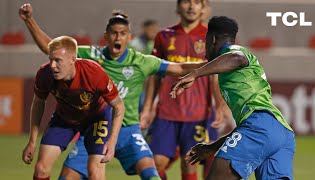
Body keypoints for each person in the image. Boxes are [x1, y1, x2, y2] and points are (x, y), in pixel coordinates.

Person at [19, 4, 207, 180]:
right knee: (68, 176)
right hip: (95, 125)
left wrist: (215, 64)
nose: (118, 38)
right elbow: (52, 48)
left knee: (151, 171)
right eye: (114, 33)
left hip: (127, 130)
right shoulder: (91, 57)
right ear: (106, 36)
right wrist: (29, 20)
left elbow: (179, 68)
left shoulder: (141, 61)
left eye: (122, 34)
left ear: (129, 37)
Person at [171, 16, 295, 180]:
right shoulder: (232, 70)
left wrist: (195, 73)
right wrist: (212, 147)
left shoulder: (235, 52)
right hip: (281, 132)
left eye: (205, 41)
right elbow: (249, 128)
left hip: (261, 126)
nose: (204, 48)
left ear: (212, 39)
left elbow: (236, 58)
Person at [141, 0, 226, 179]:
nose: (191, 7)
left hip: (198, 113)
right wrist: (148, 108)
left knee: (190, 163)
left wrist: (219, 105)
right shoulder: (164, 36)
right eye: (187, 2)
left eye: (197, 2)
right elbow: (154, 74)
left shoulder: (212, 37)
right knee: (156, 162)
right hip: (167, 112)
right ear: (178, 6)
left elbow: (216, 76)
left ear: (203, 8)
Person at [21, 36, 124, 180]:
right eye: (51, 59)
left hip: (96, 119)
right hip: (65, 118)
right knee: (41, 169)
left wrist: (112, 142)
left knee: (95, 173)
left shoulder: (93, 73)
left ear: (73, 60)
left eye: (58, 60)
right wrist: (32, 141)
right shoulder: (45, 74)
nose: (52, 65)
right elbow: (38, 103)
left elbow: (119, 106)